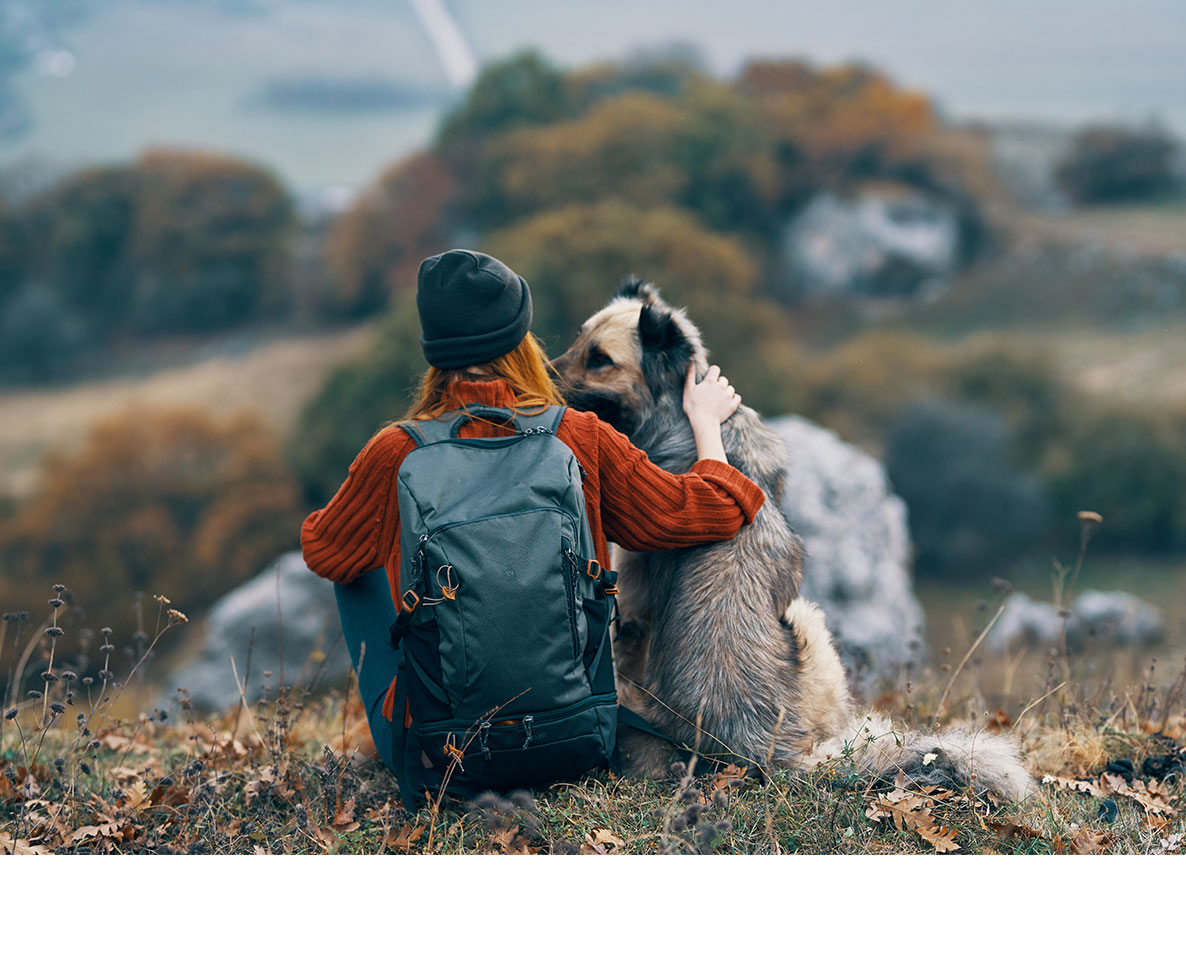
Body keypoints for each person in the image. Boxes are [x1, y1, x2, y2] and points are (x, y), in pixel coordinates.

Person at [300, 249, 766, 777]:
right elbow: (717, 509)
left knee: (350, 570)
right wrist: (703, 420)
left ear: (434, 348)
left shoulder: (395, 453)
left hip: (446, 756)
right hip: (577, 737)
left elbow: (322, 550)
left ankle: (415, 715)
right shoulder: (580, 437)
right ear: (522, 339)